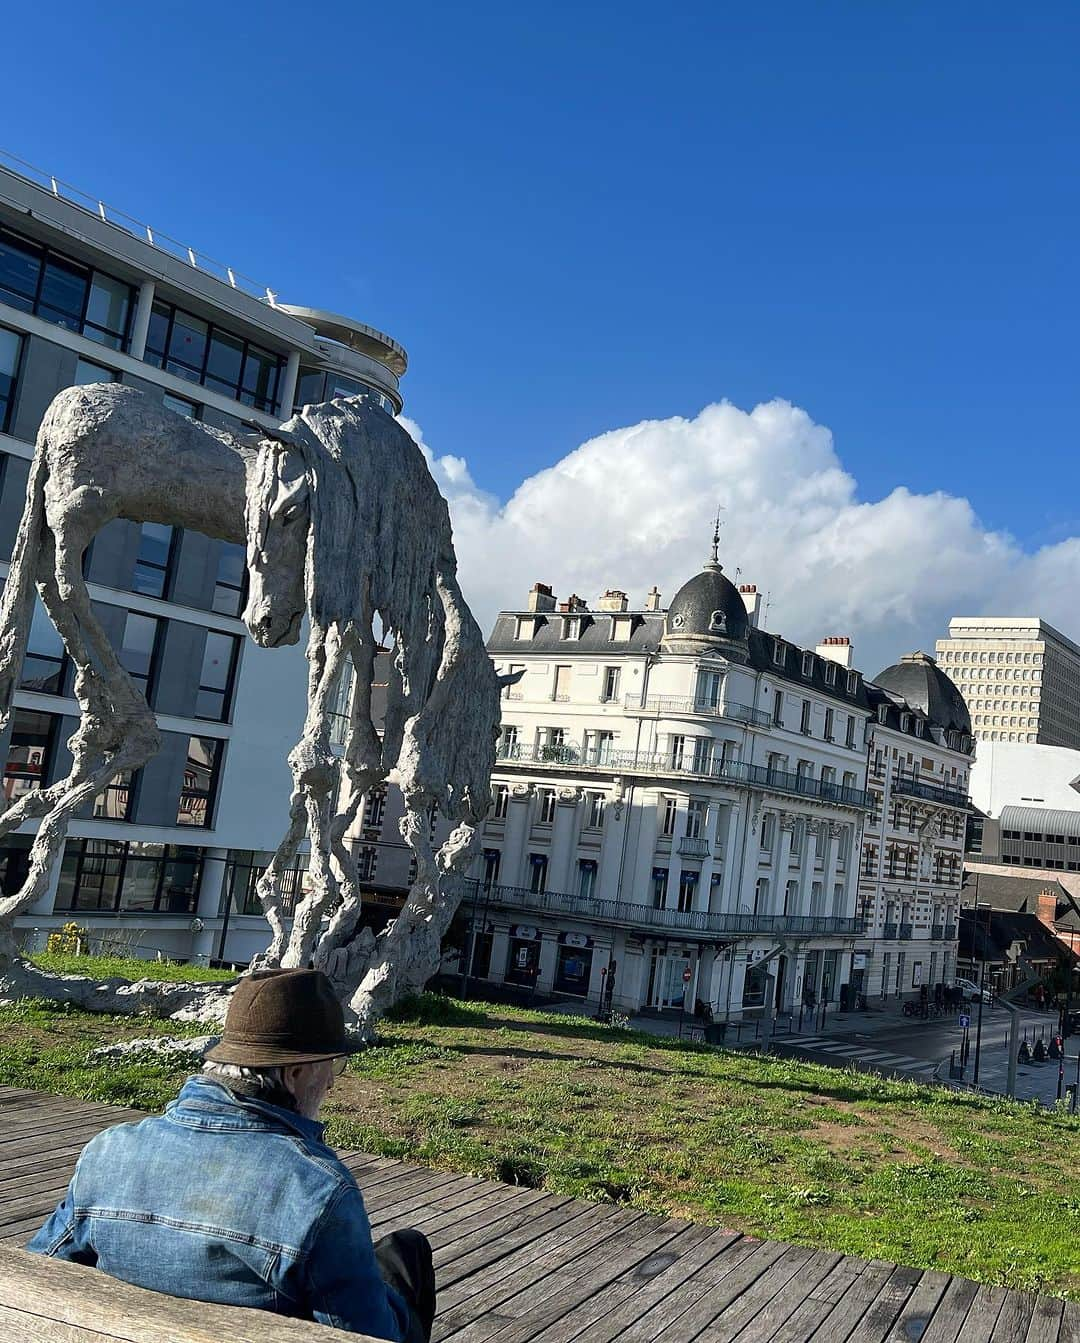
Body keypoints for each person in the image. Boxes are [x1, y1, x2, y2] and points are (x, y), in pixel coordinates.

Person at [28, 969, 435, 1341]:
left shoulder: (109, 1151)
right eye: (333, 1067)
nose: (331, 1084)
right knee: (405, 1254)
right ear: (295, 1075)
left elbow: (39, 1268)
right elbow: (367, 1336)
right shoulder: (317, 1191)